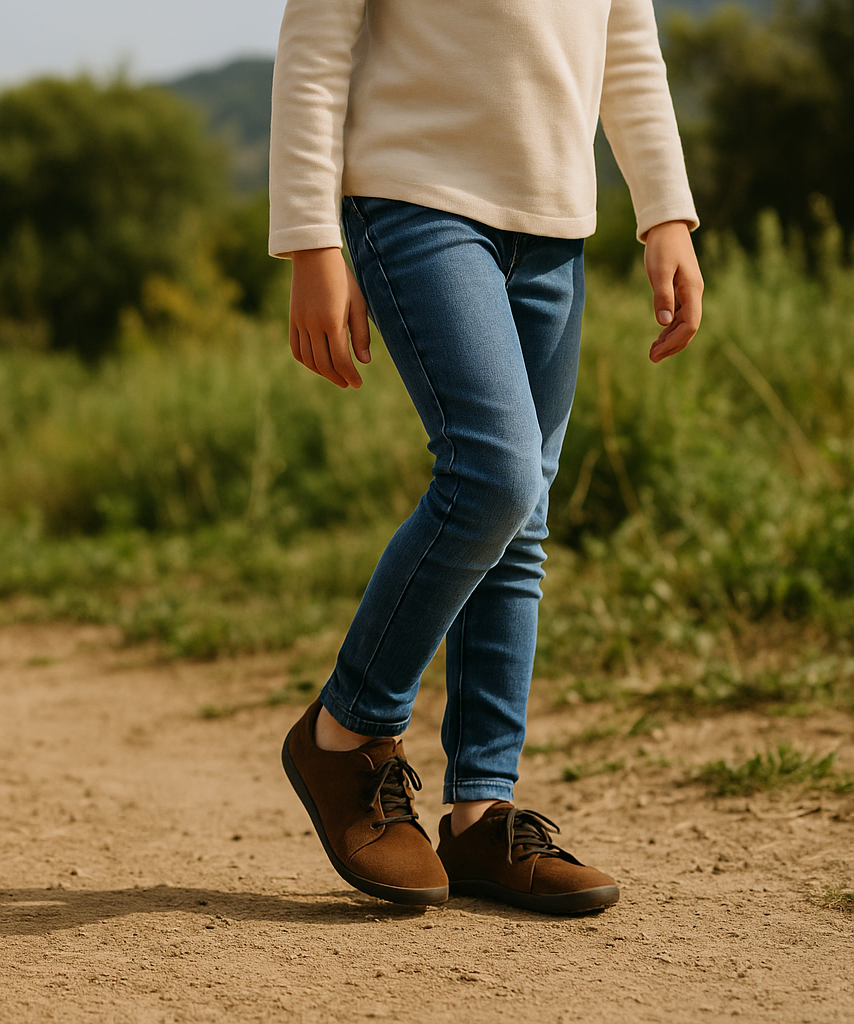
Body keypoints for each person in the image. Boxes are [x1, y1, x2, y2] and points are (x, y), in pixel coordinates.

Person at [269, 0, 702, 914]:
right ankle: (346, 735)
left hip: (554, 226)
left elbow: (627, 43)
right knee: (494, 475)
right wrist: (309, 237)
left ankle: (480, 814)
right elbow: (315, 43)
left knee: (525, 515)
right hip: (414, 196)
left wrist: (666, 212)